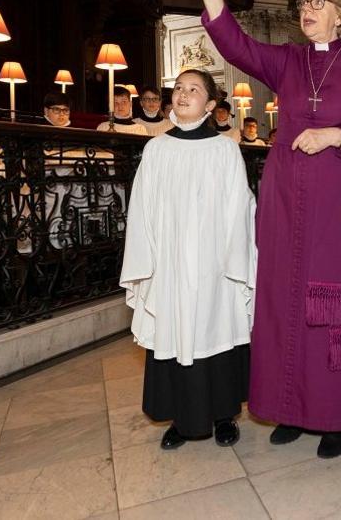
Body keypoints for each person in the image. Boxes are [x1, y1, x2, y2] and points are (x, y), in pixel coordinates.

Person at [185, 0, 341, 457]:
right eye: (302, 4)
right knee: (282, 299)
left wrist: (336, 136)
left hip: (338, 203)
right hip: (283, 200)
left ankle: (338, 415)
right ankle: (290, 407)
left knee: (331, 302)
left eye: (317, 3)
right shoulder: (288, 61)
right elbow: (235, 45)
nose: (306, 11)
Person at [120, 68, 256, 451]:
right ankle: (182, 419)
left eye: (194, 89)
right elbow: (142, 207)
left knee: (217, 332)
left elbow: (239, 205)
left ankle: (224, 414)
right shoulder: (157, 148)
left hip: (215, 264)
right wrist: (148, 261)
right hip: (171, 263)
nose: (183, 94)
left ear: (210, 105)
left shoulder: (225, 148)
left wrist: (233, 259)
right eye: (178, 88)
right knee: (175, 334)